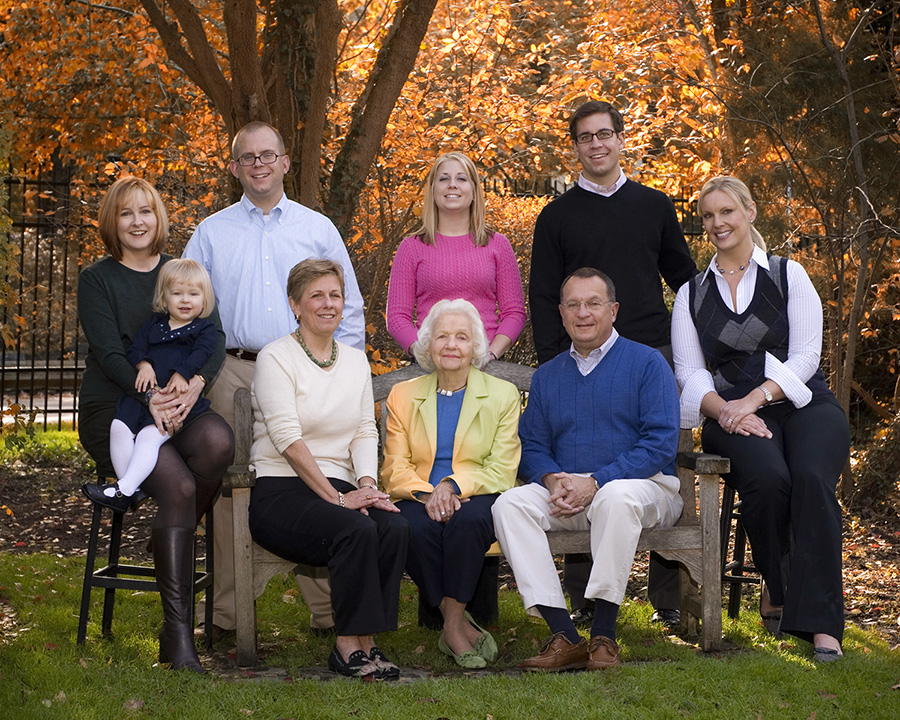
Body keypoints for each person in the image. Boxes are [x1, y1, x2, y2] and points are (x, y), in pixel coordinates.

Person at [183, 121, 366, 638]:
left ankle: (330, 612)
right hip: (232, 370)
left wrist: (344, 373)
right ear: (235, 166)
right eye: (248, 157)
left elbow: (346, 308)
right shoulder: (212, 232)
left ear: (286, 161)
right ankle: (227, 614)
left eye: (268, 155)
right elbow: (187, 309)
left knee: (319, 470)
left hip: (308, 368)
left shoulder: (317, 229)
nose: (259, 164)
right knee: (230, 487)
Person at [529, 99, 698, 628]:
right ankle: (585, 598)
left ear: (621, 139)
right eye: (585, 137)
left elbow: (686, 282)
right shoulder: (557, 215)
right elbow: (542, 296)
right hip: (578, 357)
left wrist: (697, 352)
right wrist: (560, 363)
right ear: (575, 146)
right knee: (581, 456)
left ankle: (667, 600)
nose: (596, 144)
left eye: (605, 134)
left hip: (652, 353)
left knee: (658, 464)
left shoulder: (654, 204)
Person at [672, 176, 850, 662]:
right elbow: (689, 372)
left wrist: (753, 399)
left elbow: (807, 356)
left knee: (812, 479)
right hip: (729, 416)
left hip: (804, 405)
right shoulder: (691, 294)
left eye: (726, 211)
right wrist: (727, 412)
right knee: (769, 478)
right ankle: (778, 584)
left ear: (750, 212)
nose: (717, 223)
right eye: (708, 216)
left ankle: (822, 626)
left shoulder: (787, 274)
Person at [77, 177, 234, 672]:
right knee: (182, 487)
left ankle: (170, 532)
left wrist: (195, 385)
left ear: (159, 219)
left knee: (217, 443)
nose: (138, 221)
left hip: (176, 400)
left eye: (146, 211)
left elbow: (215, 333)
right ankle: (178, 634)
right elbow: (108, 354)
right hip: (118, 408)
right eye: (126, 213)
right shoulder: (96, 279)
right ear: (113, 223)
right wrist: (153, 397)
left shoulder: (179, 271)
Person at [492, 268, 683, 671]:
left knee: (614, 497)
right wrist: (550, 479)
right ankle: (565, 636)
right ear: (561, 314)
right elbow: (532, 444)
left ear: (613, 310)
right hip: (570, 494)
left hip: (644, 489)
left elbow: (659, 443)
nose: (583, 313)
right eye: (574, 305)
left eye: (593, 303)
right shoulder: (549, 375)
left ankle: (604, 636)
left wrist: (595, 481)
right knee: (508, 505)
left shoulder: (647, 363)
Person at [248, 259, 408, 679]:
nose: (327, 304)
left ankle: (368, 642)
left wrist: (368, 485)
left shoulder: (355, 361)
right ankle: (345, 647)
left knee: (394, 526)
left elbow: (363, 429)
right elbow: (287, 439)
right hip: (280, 491)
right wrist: (338, 498)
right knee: (356, 528)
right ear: (295, 304)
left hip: (341, 487)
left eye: (334, 295)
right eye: (316, 295)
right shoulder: (275, 358)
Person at [382, 299, 522, 668]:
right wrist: (430, 493)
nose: (451, 344)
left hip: (476, 491)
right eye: (442, 336)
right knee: (409, 525)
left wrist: (451, 487)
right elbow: (394, 467)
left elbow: (502, 468)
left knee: (468, 522)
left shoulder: (502, 394)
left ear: (476, 345)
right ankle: (457, 627)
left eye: (462, 337)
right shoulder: (403, 395)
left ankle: (452, 626)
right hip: (417, 491)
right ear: (428, 345)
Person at [82, 259, 217, 511]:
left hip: (173, 400)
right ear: (165, 299)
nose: (185, 300)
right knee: (119, 428)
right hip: (142, 397)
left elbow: (202, 353)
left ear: (204, 298)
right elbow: (134, 349)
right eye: (177, 294)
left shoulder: (203, 329)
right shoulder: (154, 325)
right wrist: (143, 364)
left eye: (193, 294)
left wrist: (182, 373)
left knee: (147, 438)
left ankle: (123, 490)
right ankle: (127, 490)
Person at [386, 152, 526, 363]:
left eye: (461, 179)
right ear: (433, 191)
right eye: (444, 179)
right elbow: (397, 317)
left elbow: (515, 312)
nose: (452, 185)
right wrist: (424, 355)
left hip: (485, 363)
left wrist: (491, 353)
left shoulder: (497, 245)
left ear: (474, 192)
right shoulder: (411, 248)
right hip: (429, 365)